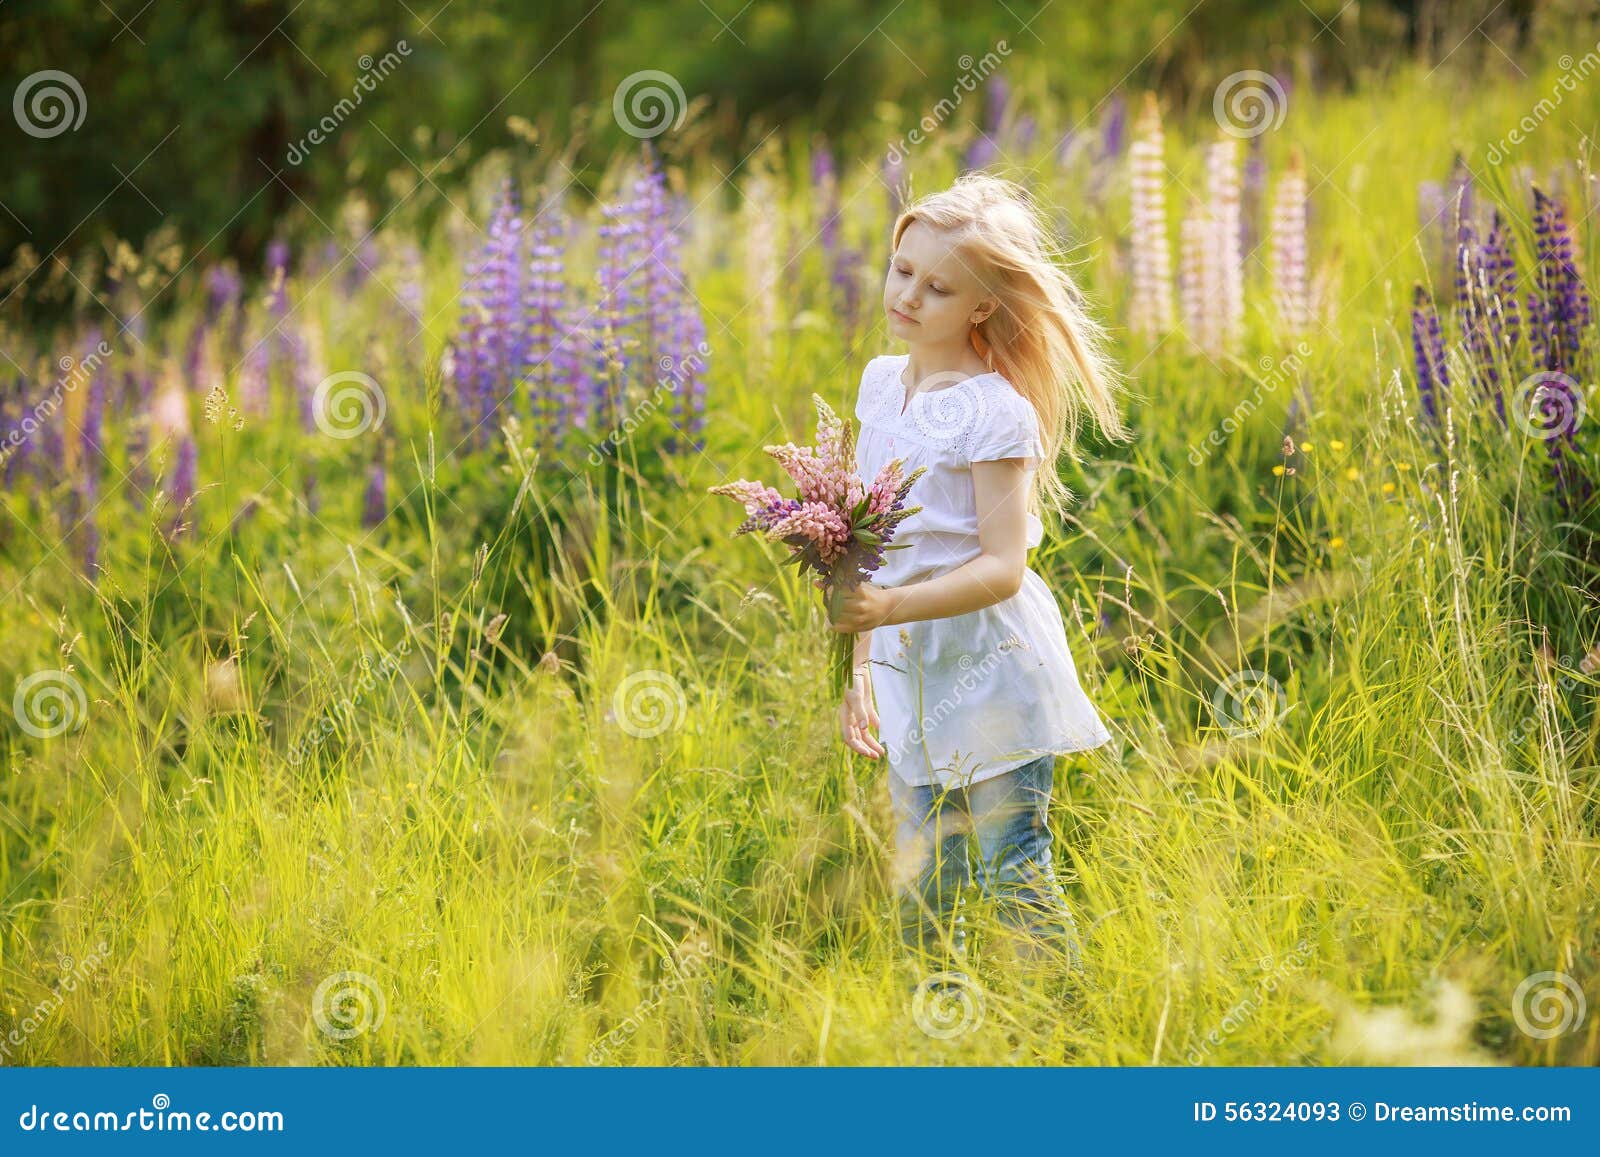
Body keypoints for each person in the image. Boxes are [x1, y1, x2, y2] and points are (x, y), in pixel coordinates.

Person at [827, 170, 1134, 978]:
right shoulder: (879, 385)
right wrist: (864, 665)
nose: (909, 296)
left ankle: (1061, 1037)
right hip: (909, 667)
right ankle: (939, 1044)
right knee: (924, 882)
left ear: (982, 308)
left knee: (1011, 866)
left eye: (938, 286)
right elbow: (871, 537)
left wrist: (891, 603)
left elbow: (1001, 569)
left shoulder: (997, 410)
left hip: (990, 665)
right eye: (903, 271)